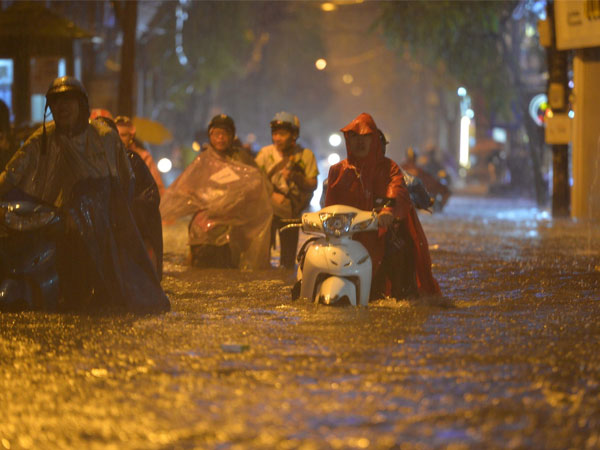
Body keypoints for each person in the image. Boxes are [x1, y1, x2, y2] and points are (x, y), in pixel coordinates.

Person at [0, 76, 169, 313]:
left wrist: (111, 214)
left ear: (81, 104)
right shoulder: (42, 139)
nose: (62, 107)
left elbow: (124, 181)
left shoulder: (104, 137)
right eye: (56, 102)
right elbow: (12, 174)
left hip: (101, 223)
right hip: (55, 219)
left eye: (68, 101)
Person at [325, 112, 440, 300]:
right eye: (354, 137)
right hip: (347, 236)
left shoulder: (390, 168)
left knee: (400, 254)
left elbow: (396, 191)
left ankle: (404, 295)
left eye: (365, 137)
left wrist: (388, 211)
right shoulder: (337, 171)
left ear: (374, 142)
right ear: (347, 140)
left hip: (383, 233)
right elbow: (328, 206)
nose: (360, 142)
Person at [160, 114, 272, 270]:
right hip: (208, 214)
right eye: (216, 134)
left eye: (224, 134)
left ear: (232, 136)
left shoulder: (241, 158)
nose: (220, 138)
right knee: (197, 232)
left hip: (235, 216)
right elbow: (189, 185)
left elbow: (256, 183)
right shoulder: (203, 160)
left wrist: (234, 198)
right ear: (210, 136)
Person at [90, 108, 163, 279]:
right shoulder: (85, 162)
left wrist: (126, 209)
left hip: (128, 225)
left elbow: (151, 193)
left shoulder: (133, 160)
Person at [255, 112, 318, 269]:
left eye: (282, 134)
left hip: (292, 213)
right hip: (267, 213)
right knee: (262, 260)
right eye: (275, 134)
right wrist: (271, 194)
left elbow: (313, 184)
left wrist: (295, 177)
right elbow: (255, 180)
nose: (277, 138)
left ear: (294, 135)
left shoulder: (305, 155)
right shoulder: (265, 154)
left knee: (288, 263)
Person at [114, 115, 165, 197]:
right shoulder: (111, 156)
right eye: (117, 135)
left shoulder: (143, 156)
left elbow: (157, 187)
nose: (120, 139)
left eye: (123, 135)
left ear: (131, 136)